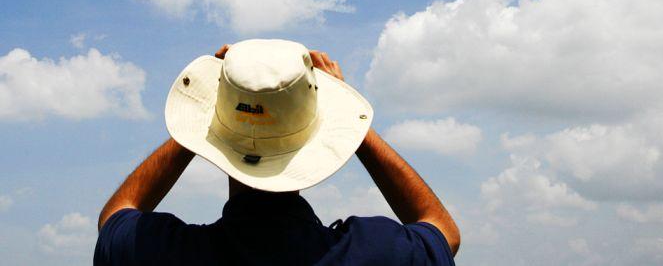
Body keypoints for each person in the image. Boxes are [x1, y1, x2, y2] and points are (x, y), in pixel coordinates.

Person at [95, 38, 460, 265]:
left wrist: (206, 112)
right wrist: (353, 122)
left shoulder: (163, 253)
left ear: (215, 135)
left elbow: (115, 217)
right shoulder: (374, 252)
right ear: (317, 135)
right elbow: (443, 231)